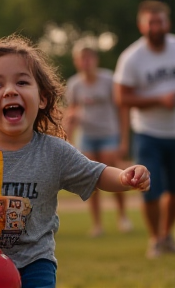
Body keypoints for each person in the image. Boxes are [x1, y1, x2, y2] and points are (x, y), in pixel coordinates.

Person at [0, 34, 150, 287]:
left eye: (22, 82)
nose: (10, 90)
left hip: (36, 263)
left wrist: (125, 177)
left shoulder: (55, 151)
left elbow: (96, 174)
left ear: (43, 98)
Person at [113, 1, 175, 259]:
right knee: (150, 188)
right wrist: (159, 100)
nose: (156, 27)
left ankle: (165, 235)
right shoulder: (131, 57)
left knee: (173, 190)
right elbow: (121, 98)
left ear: (167, 22)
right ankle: (154, 239)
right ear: (142, 25)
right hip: (148, 132)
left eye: (160, 21)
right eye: (151, 22)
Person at [64, 45, 133, 237]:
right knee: (91, 178)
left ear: (96, 60)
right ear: (76, 62)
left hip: (109, 133)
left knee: (117, 175)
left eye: (89, 58)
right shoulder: (75, 84)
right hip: (87, 136)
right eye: (81, 59)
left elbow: (121, 109)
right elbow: (72, 111)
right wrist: (69, 139)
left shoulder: (109, 80)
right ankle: (97, 224)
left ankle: (123, 217)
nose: (86, 63)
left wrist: (124, 140)